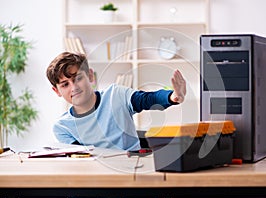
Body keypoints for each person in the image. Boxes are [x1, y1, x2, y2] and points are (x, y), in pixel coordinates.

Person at [46, 52, 186, 151]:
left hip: (131, 177)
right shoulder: (62, 127)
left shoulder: (116, 95)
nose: (74, 87)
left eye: (78, 78)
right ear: (56, 91)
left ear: (90, 75)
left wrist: (172, 96)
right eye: (65, 84)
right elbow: (82, 160)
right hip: (95, 182)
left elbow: (148, 99)